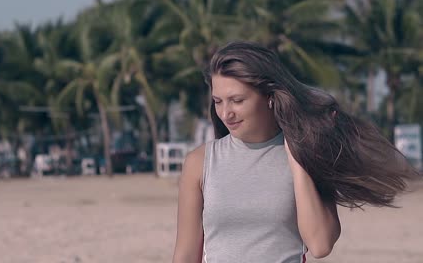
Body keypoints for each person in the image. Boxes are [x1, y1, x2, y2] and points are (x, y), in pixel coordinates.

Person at [172, 41, 419, 263]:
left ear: (269, 96)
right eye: (218, 101)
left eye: (237, 100)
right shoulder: (200, 162)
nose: (226, 113)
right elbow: (185, 255)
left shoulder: (307, 153)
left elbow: (320, 245)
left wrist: (297, 158)